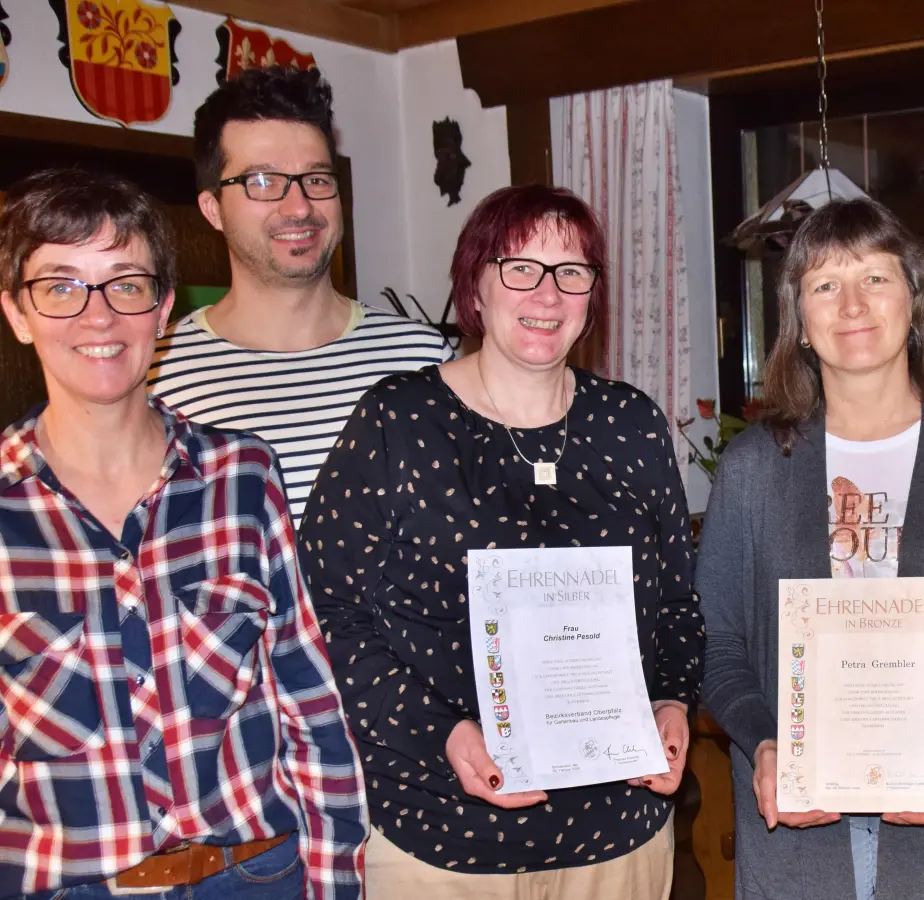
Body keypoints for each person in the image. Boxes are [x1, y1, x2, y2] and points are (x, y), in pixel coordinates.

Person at [297, 184, 700, 898]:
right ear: (475, 284)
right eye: (520, 267)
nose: (547, 294)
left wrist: (670, 703)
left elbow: (674, 604)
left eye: (571, 272)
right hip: (441, 837)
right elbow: (328, 617)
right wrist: (441, 734)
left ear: (591, 294)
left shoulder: (631, 426)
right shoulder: (400, 422)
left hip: (617, 833)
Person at [0, 169, 366, 899]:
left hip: (254, 873)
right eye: (61, 286)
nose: (97, 317)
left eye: (125, 284)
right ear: (16, 312)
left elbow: (308, 702)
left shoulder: (242, 477)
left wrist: (335, 885)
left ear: (163, 308)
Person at [696, 197, 924, 900]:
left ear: (914, 298)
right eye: (825, 284)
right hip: (795, 830)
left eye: (875, 278)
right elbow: (716, 639)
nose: (852, 303)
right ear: (800, 315)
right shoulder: (755, 466)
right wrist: (764, 742)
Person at [148, 65, 452, 526]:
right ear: (213, 209)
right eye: (264, 181)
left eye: (316, 179)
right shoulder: (154, 374)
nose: (300, 207)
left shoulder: (424, 358)